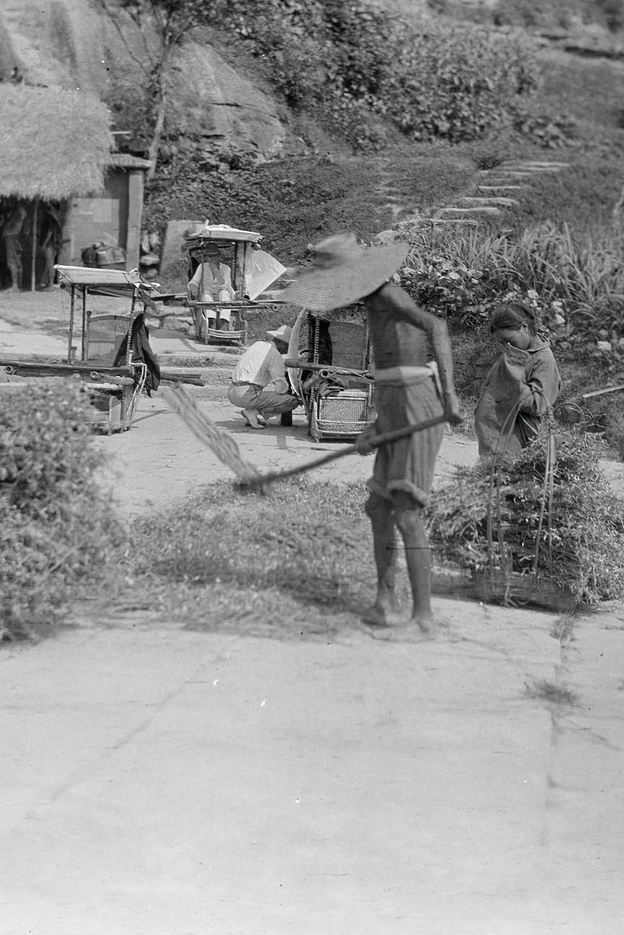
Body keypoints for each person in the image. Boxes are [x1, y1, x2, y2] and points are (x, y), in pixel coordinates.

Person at [283, 234, 464, 640]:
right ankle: (386, 602)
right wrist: (375, 427)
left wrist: (450, 395)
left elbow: (437, 327)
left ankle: (423, 619)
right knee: (379, 510)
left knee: (406, 513)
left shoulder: (390, 295)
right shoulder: (372, 304)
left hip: (417, 404)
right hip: (394, 405)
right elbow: (389, 377)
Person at [472, 302, 562, 464]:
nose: (506, 346)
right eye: (502, 343)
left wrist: (512, 383)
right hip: (502, 431)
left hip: (525, 437)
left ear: (525, 328)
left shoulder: (544, 359)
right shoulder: (517, 352)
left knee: (511, 476)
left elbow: (540, 403)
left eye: (509, 340)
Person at [227, 323, 301, 429]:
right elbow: (281, 389)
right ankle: (253, 412)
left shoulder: (258, 345)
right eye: (288, 347)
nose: (287, 350)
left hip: (232, 391)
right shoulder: (275, 354)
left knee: (261, 392)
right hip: (246, 395)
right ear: (282, 343)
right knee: (291, 401)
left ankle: (251, 414)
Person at [187, 243, 235, 332]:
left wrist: (216, 272)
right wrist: (194, 288)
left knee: (224, 294)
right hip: (207, 293)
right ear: (207, 257)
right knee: (206, 296)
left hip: (223, 293)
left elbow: (226, 286)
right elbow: (194, 281)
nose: (213, 258)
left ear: (219, 256)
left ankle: (224, 323)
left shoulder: (226, 268)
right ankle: (211, 321)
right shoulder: (202, 267)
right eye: (210, 256)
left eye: (215, 256)